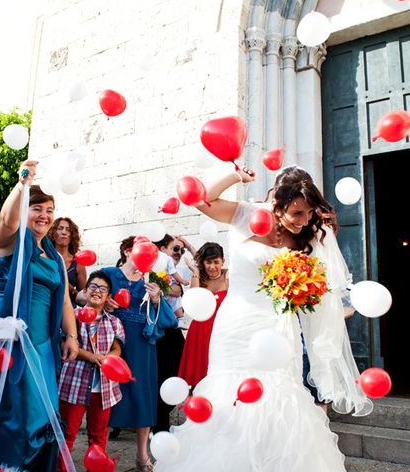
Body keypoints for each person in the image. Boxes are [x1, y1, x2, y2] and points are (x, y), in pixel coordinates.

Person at [157, 166, 372, 471]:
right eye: (297, 213)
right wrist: (235, 176)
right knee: (229, 401)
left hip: (278, 330)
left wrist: (302, 290)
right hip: (235, 327)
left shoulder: (309, 239)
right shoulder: (246, 215)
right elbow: (201, 200)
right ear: (278, 205)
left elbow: (321, 292)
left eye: (309, 213)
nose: (304, 221)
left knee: (279, 400)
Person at [0, 160, 79, 471]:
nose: (44, 216)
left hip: (41, 343)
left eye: (50, 210)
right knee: (6, 414)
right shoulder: (9, 239)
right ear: (27, 210)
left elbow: (64, 299)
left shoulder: (53, 256)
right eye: (37, 208)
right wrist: (22, 185)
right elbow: (7, 219)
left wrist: (72, 336)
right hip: (0, 338)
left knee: (41, 416)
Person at [102, 236, 173, 472]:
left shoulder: (152, 280)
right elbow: (84, 295)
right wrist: (104, 301)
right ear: (127, 252)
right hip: (113, 339)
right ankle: (99, 448)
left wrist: (156, 299)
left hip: (142, 342)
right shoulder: (109, 273)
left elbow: (165, 318)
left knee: (143, 394)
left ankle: (142, 455)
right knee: (105, 392)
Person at [57, 271, 125, 472]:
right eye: (93, 287)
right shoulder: (72, 317)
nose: (97, 291)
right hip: (74, 383)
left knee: (98, 434)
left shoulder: (113, 322)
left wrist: (109, 357)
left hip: (103, 388)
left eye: (103, 289)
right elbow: (64, 344)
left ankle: (95, 468)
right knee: (67, 433)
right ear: (85, 291)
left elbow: (118, 348)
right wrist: (91, 357)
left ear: (108, 297)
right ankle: (62, 468)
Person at [177, 242, 229, 388]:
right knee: (199, 374)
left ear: (223, 261)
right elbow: (193, 302)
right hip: (200, 331)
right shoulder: (199, 277)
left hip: (221, 330)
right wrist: (195, 272)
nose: (212, 266)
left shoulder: (228, 275)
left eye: (216, 262)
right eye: (208, 262)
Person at [152, 235, 187, 433]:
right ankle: (159, 424)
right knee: (160, 375)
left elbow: (177, 289)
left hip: (173, 329)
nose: (178, 253)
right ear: (162, 249)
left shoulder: (176, 270)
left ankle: (163, 416)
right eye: (175, 249)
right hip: (157, 330)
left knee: (177, 372)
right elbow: (170, 290)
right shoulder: (152, 267)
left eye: (181, 250)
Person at [48, 217, 87, 306]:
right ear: (52, 233)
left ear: (72, 235)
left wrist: (69, 288)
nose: (64, 232)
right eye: (60, 228)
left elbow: (84, 300)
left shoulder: (78, 263)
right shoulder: (45, 257)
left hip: (69, 310)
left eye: (68, 230)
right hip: (46, 307)